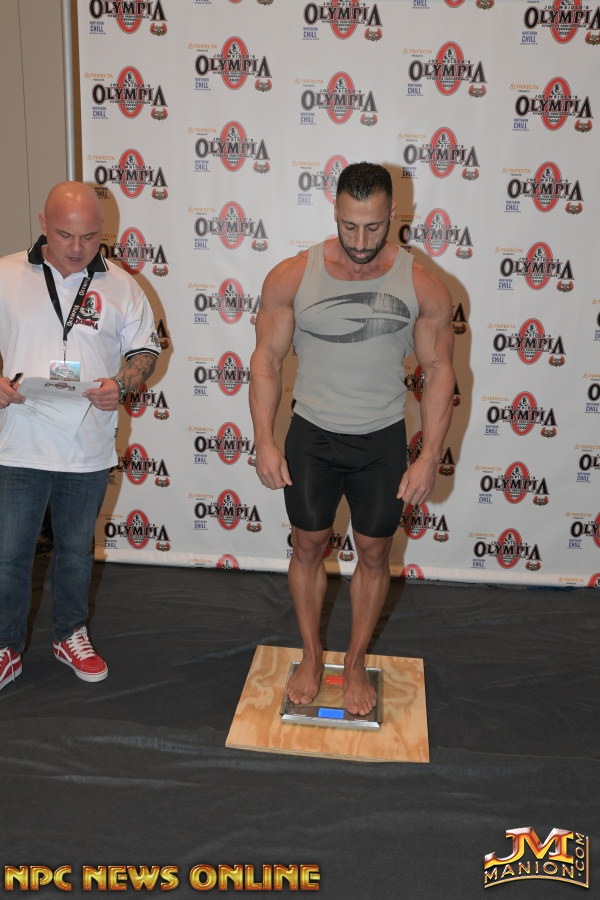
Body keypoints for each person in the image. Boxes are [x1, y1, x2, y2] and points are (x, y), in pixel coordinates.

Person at [249, 162, 455, 716]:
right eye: (349, 226)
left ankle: (357, 661)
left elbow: (440, 372)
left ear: (394, 215)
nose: (360, 242)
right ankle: (313, 656)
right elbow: (266, 360)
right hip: (312, 436)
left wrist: (428, 456)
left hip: (381, 440)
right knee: (308, 545)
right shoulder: (292, 276)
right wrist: (264, 440)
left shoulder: (423, 285)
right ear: (334, 212)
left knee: (374, 552)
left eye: (373, 227)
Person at [0, 182, 161, 692]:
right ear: (43, 225)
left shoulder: (122, 285)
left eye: (89, 237)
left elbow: (145, 350)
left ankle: (69, 634)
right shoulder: (5, 274)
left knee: (74, 551)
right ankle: (5, 646)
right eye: (65, 234)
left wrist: (123, 384)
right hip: (18, 442)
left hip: (86, 445)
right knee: (9, 554)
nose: (76, 248)